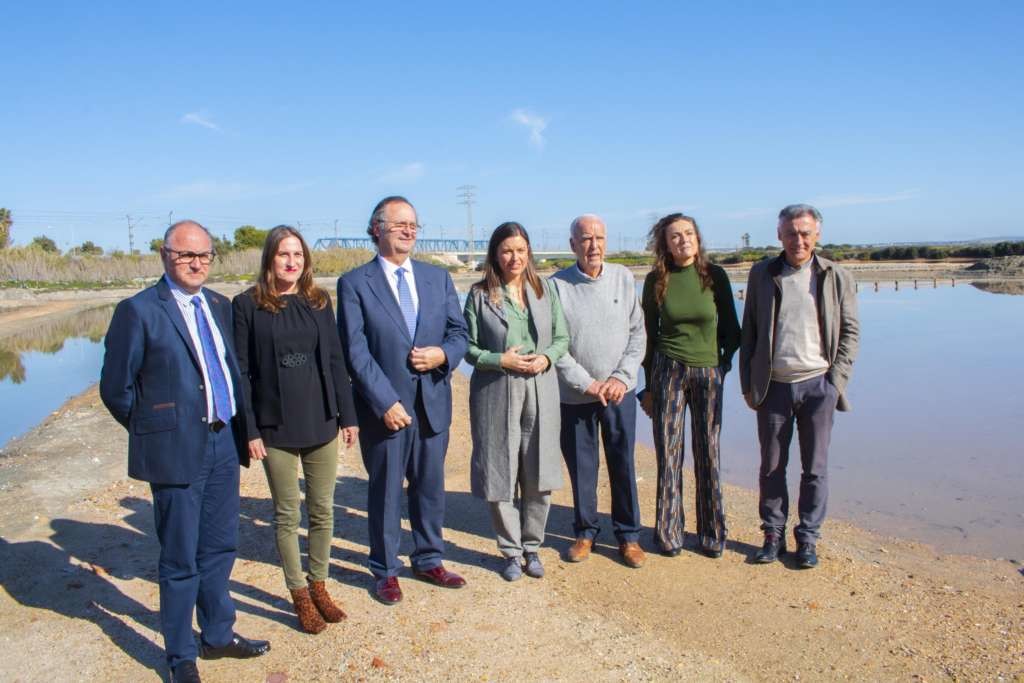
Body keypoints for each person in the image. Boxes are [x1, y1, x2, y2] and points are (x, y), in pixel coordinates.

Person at [99, 220, 269, 683]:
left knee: (220, 546)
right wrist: (156, 431)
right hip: (175, 452)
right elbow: (116, 389)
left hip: (223, 442)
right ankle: (180, 656)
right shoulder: (138, 311)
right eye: (185, 255)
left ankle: (217, 635)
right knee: (179, 558)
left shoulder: (218, 305)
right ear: (165, 256)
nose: (196, 263)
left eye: (204, 255)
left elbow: (231, 372)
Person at [337, 196, 468, 605]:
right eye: (400, 224)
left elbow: (459, 333)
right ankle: (385, 570)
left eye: (414, 224)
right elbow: (355, 351)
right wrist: (384, 401)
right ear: (377, 229)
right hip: (386, 411)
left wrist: (443, 355)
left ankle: (429, 558)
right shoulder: (354, 283)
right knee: (386, 492)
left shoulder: (437, 278)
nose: (409, 231)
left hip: (432, 404)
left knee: (429, 488)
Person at [232, 226, 359, 633]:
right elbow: (241, 373)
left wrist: (349, 416)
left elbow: (336, 360)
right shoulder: (246, 305)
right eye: (284, 254)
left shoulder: (319, 301)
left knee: (322, 509)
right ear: (270, 259)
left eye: (298, 255)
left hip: (321, 419)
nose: (291, 262)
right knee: (287, 514)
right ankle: (299, 595)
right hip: (274, 427)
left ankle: (319, 585)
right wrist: (249, 430)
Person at [740, 204, 859, 569]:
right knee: (772, 467)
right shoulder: (762, 274)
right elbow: (750, 332)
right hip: (773, 386)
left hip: (818, 386)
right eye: (791, 233)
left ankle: (807, 538)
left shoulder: (835, 276)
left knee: (815, 468)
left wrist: (835, 382)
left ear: (817, 235)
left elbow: (850, 332)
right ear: (780, 235)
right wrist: (748, 385)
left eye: (805, 233)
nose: (798, 240)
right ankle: (772, 535)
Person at [464, 222, 569, 581]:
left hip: (541, 388)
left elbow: (562, 337)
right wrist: (500, 359)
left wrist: (547, 357)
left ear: (529, 252)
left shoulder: (544, 289)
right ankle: (510, 551)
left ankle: (533, 546)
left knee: (539, 471)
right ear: (495, 254)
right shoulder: (480, 295)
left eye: (521, 250)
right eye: (507, 250)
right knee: (500, 471)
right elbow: (468, 347)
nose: (515, 257)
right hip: (496, 390)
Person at [640, 213, 740, 559]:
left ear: (697, 238)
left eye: (688, 233)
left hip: (708, 371)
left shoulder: (715, 276)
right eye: (675, 236)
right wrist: (649, 387)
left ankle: (712, 534)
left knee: (708, 451)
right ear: (665, 244)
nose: (683, 240)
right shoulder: (656, 280)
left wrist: (722, 366)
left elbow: (732, 330)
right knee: (669, 452)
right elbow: (648, 337)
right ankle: (669, 533)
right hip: (667, 370)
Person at [550, 214, 647, 568]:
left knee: (623, 464)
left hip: (620, 393)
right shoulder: (556, 286)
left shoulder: (623, 277)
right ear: (573, 244)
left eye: (599, 238)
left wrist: (621, 377)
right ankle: (585, 532)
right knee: (582, 468)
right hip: (576, 396)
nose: (594, 245)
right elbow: (554, 344)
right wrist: (587, 383)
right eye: (586, 239)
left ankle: (629, 536)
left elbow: (638, 333)